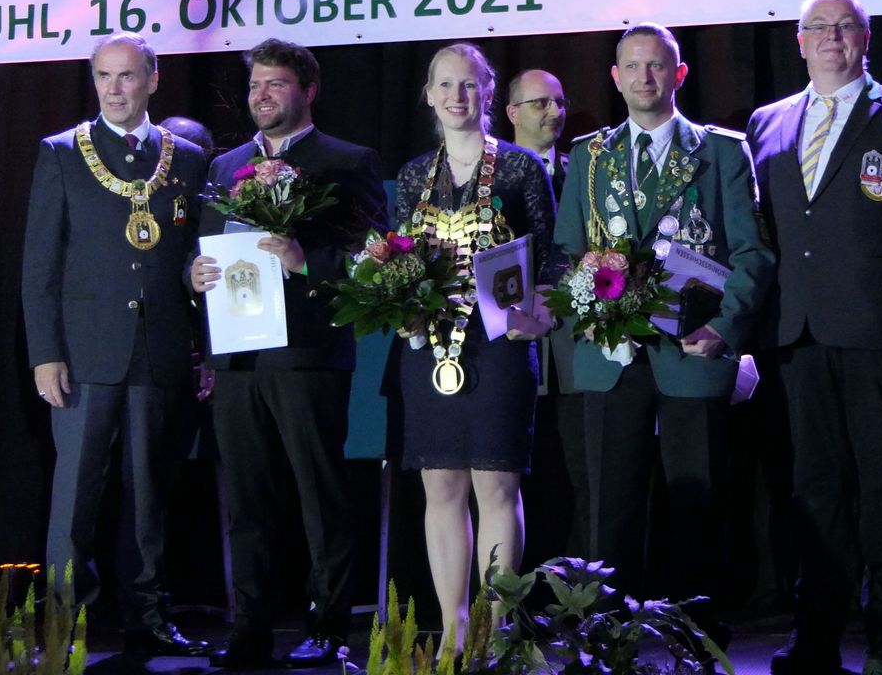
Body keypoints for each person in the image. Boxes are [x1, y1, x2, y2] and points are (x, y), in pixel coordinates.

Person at [745, 0, 882, 675]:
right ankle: (816, 639)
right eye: (819, 27)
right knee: (814, 494)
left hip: (880, 332)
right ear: (798, 41)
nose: (833, 36)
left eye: (847, 26)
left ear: (865, 39)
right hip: (797, 337)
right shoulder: (767, 123)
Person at [551, 23, 774, 639]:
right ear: (615, 77)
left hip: (693, 346)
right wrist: (584, 302)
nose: (645, 77)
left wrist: (726, 329)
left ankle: (694, 628)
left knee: (695, 497)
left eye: (659, 66)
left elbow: (752, 254)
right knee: (609, 500)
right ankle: (604, 630)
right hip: (610, 352)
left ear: (679, 74)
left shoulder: (721, 151)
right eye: (633, 66)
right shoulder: (590, 157)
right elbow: (566, 250)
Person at [189, 38, 388, 669]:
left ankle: (329, 626)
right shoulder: (225, 167)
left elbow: (374, 260)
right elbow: (205, 253)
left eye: (275, 84)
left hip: (308, 351)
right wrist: (192, 276)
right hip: (239, 357)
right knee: (245, 499)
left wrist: (310, 261)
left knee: (319, 494)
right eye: (254, 86)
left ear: (308, 90)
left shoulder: (345, 160)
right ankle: (248, 626)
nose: (261, 96)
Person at [21, 32, 211, 657]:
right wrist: (45, 353)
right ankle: (64, 619)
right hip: (84, 353)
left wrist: (195, 293)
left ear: (152, 81)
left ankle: (148, 617)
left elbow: (188, 259)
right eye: (104, 76)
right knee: (75, 495)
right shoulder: (61, 154)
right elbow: (39, 268)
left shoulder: (185, 157)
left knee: (150, 494)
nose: (115, 88)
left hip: (158, 350)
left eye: (127, 76)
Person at [392, 43, 555, 650]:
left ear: (488, 94)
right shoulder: (414, 175)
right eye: (445, 85)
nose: (457, 96)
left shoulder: (518, 169)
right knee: (440, 488)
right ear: (430, 95)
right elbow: (397, 256)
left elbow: (554, 256)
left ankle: (495, 626)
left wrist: (539, 312)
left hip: (500, 347)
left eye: (469, 85)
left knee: (496, 488)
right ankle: (455, 629)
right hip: (432, 349)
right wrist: (398, 301)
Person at [505, 68, 588, 558]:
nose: (554, 112)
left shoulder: (584, 168)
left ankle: (581, 601)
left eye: (559, 102)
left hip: (575, 356)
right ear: (512, 112)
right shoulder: (494, 173)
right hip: (516, 352)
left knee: (579, 476)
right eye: (540, 103)